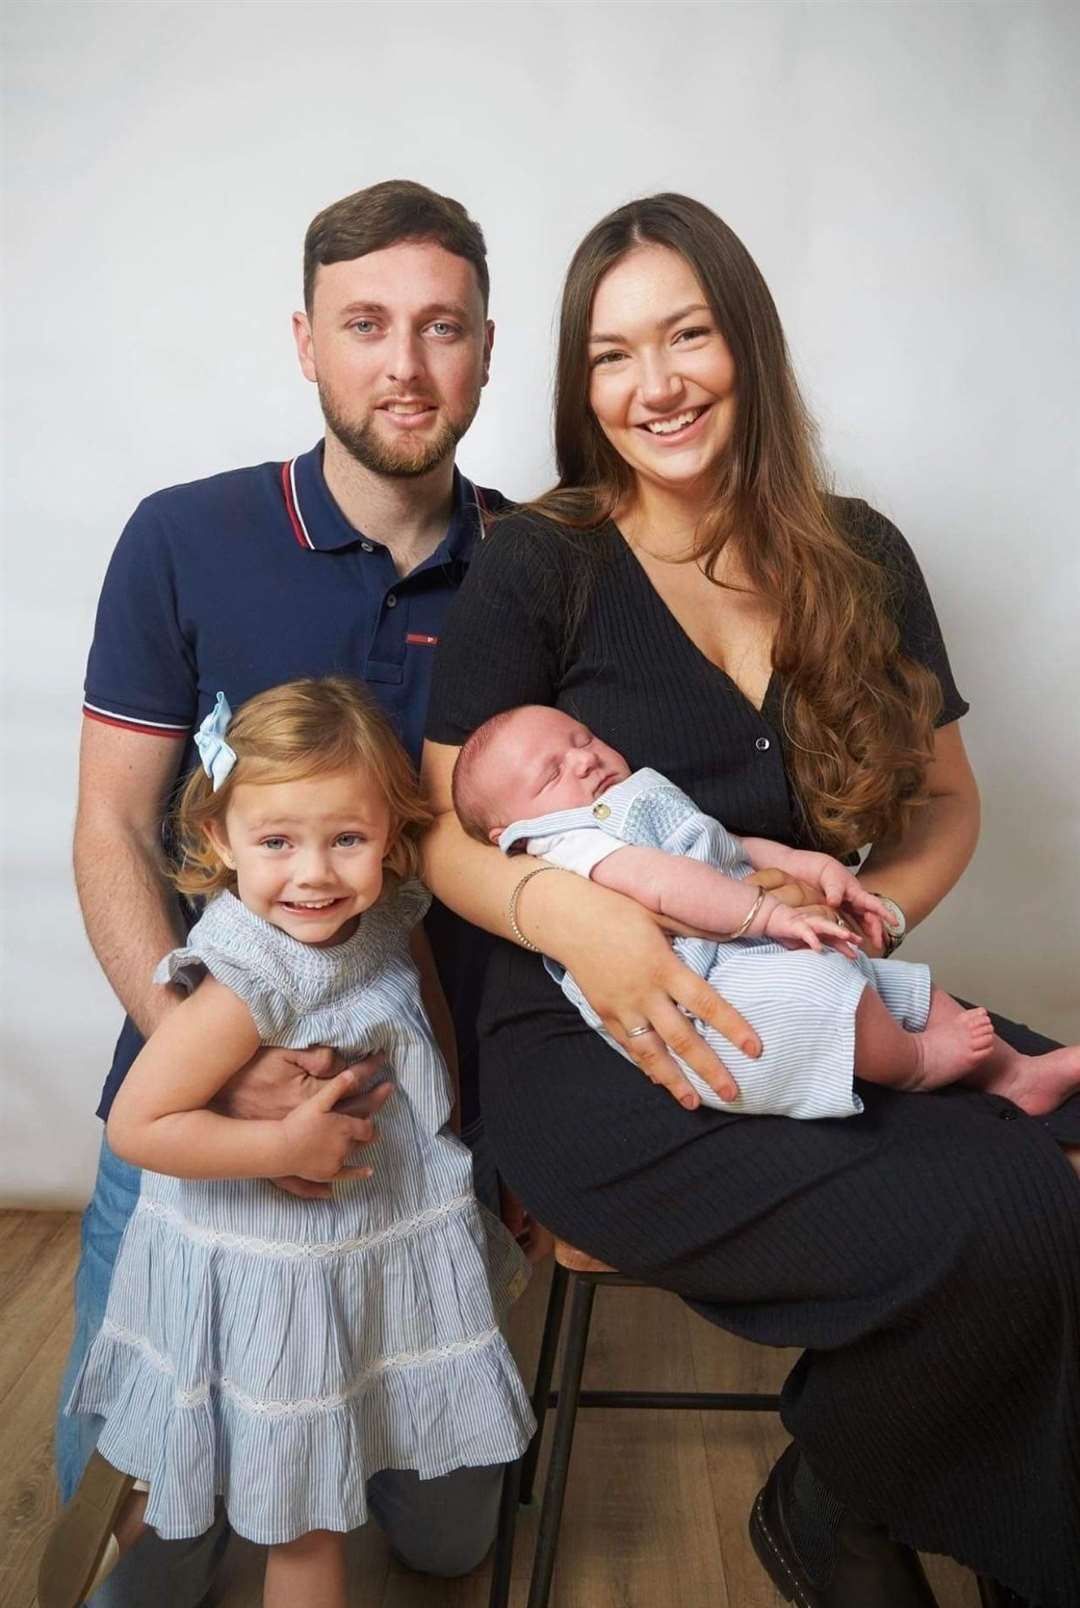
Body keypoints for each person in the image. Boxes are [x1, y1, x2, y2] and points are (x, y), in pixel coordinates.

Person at [420, 194, 1080, 1608]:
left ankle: (839, 1483)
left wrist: (879, 916)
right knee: (1016, 1207)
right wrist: (578, 917)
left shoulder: (862, 555)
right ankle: (860, 1528)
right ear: (580, 385)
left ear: (747, 345)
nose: (653, 384)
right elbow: (437, 829)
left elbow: (950, 802)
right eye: (611, 355)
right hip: (599, 1041)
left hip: (807, 996)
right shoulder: (543, 562)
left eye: (686, 334)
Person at [61, 179, 519, 1608]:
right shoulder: (184, 538)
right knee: (153, 1557)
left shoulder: (542, 564)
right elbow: (109, 827)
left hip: (414, 1144)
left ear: (489, 351)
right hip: (198, 1125)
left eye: (441, 327)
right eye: (366, 324)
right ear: (305, 342)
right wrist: (218, 1055)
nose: (405, 363)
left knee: (446, 1541)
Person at [41, 678, 533, 1608]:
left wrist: (453, 1140)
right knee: (308, 1521)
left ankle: (167, 1495)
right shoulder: (247, 976)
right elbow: (145, 1123)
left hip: (363, 1240)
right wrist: (280, 1152)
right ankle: (134, 1518)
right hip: (275, 1263)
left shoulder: (387, 918)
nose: (313, 874)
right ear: (221, 841)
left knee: (341, 1460)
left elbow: (428, 1020)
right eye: (277, 842)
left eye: (346, 839)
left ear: (392, 833)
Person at [453, 702, 1080, 1119]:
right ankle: (914, 1067)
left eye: (582, 738)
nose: (586, 759)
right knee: (826, 991)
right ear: (510, 830)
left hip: (751, 949)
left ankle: (1014, 1075)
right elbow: (666, 883)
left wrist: (809, 866)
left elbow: (722, 843)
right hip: (707, 992)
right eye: (552, 771)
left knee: (911, 989)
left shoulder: (628, 796)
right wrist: (768, 916)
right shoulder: (567, 840)